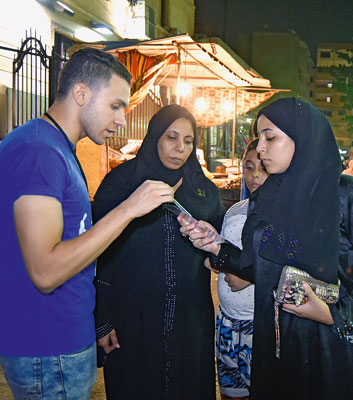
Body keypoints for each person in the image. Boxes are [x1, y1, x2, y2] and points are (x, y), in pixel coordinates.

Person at [0, 48, 178, 400]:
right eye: (116, 105)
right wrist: (128, 210)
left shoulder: (57, 148)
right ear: (81, 93)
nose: (123, 120)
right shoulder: (39, 151)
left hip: (60, 343)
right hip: (48, 349)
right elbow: (46, 271)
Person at [179, 98, 353, 400]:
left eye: (270, 137)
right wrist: (215, 245)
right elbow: (254, 266)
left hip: (330, 347)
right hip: (273, 346)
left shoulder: (343, 196)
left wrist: (328, 315)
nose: (260, 148)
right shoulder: (264, 200)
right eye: (259, 138)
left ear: (301, 137)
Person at [92, 104, 225, 400]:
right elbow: (99, 258)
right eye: (171, 137)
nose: (180, 148)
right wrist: (102, 320)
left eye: (188, 141)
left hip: (190, 322)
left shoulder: (204, 192)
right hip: (132, 320)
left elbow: (221, 256)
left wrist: (213, 247)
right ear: (155, 137)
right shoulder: (121, 185)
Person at [216, 138, 268, 400]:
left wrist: (249, 277)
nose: (254, 175)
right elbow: (225, 254)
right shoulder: (235, 210)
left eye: (263, 168)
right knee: (230, 393)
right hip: (227, 322)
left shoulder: (283, 214)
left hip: (258, 325)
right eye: (248, 167)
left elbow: (292, 265)